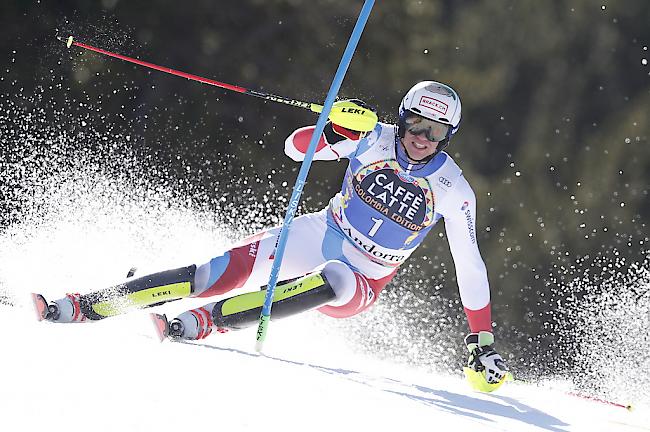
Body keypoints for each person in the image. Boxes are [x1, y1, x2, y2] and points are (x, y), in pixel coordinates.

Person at [33, 81, 509, 390]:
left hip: (362, 278)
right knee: (213, 271)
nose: (422, 138)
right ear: (402, 117)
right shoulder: (372, 138)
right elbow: (295, 148)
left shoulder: (454, 190)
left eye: (436, 131)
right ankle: (85, 304)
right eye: (416, 124)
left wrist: (480, 338)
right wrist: (337, 127)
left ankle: (205, 322)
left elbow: (470, 264)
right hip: (320, 231)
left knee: (336, 277)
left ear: (449, 136)